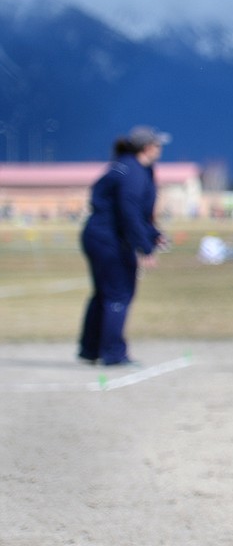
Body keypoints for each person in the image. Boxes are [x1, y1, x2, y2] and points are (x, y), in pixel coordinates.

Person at [78, 125, 171, 366]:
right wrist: (145, 247)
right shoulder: (133, 172)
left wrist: (152, 234)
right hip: (108, 239)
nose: (160, 149)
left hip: (99, 235)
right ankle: (113, 352)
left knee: (103, 294)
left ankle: (90, 349)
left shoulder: (127, 167)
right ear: (147, 148)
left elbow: (135, 213)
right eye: (158, 145)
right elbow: (128, 212)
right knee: (118, 293)